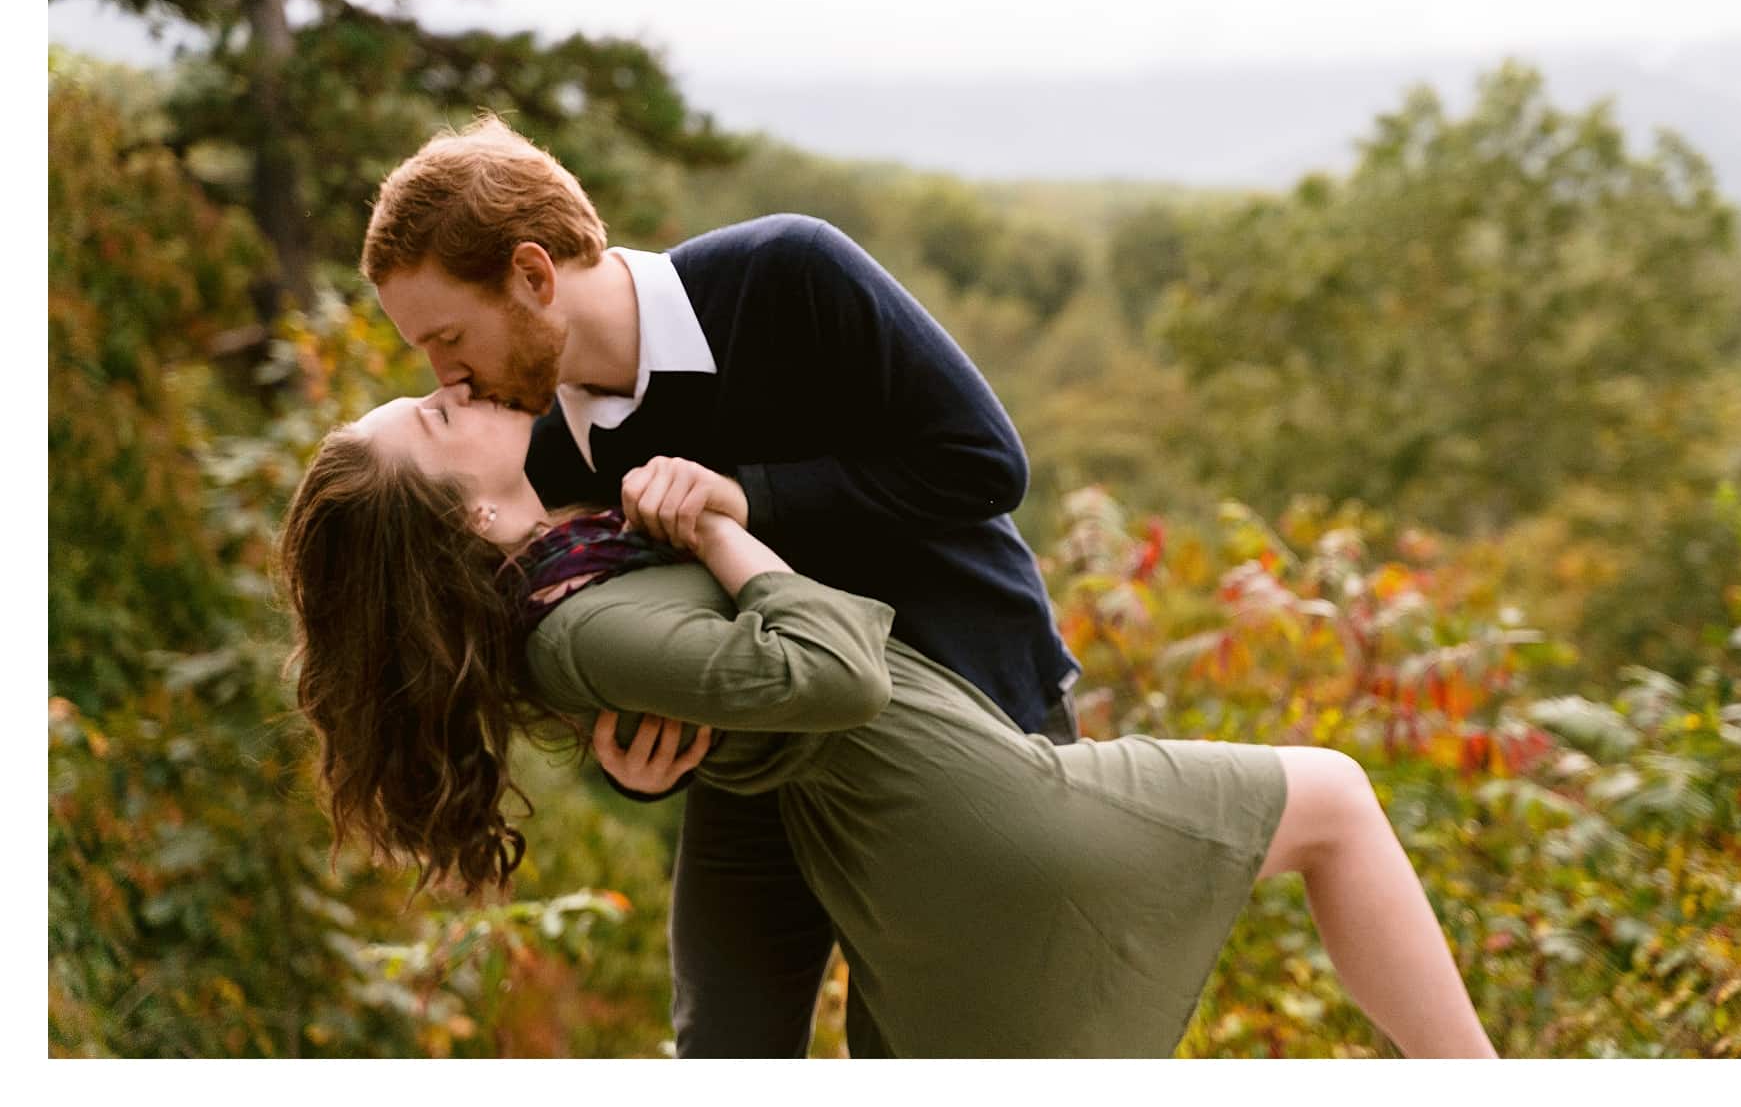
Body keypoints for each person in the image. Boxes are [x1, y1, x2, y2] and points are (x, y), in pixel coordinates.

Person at [277, 389, 1498, 1060]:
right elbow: (834, 670)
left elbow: (733, 714)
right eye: (437, 420)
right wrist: (715, 527)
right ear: (476, 524)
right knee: (1332, 798)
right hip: (982, 813)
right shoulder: (576, 620)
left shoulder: (575, 565)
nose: (456, 391)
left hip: (917, 838)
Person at [359, 118, 1074, 1058]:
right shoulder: (539, 449)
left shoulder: (788, 274)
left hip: (969, 718)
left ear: (533, 276)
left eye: (447, 337)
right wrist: (628, 762)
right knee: (723, 1048)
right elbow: (617, 633)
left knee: (920, 1049)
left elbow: (985, 467)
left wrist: (748, 496)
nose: (442, 374)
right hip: (764, 767)